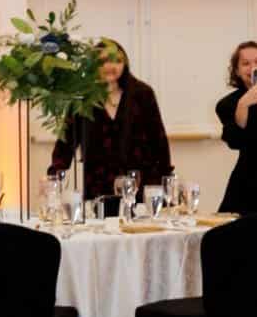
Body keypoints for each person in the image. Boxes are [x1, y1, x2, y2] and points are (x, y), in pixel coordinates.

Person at [50, 38, 172, 201]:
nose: (111, 66)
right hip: (97, 186)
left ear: (125, 63)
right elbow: (66, 142)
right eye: (104, 61)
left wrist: (164, 182)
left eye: (117, 61)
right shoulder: (82, 96)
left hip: (139, 185)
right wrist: (54, 178)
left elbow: (159, 140)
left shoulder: (143, 93)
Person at [216, 41, 257, 214]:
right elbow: (235, 141)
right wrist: (243, 105)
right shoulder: (228, 104)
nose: (252, 68)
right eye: (245, 63)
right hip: (249, 180)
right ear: (236, 70)